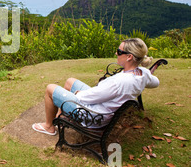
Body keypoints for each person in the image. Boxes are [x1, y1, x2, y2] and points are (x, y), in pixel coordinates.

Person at [32, 38, 160, 135]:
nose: (116, 53)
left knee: (50, 89)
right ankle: (58, 118)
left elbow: (87, 98)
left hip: (93, 116)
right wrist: (146, 75)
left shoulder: (119, 81)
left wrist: (76, 94)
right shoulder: (142, 73)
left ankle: (49, 126)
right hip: (102, 106)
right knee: (70, 81)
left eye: (119, 51)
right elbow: (156, 83)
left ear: (129, 57)